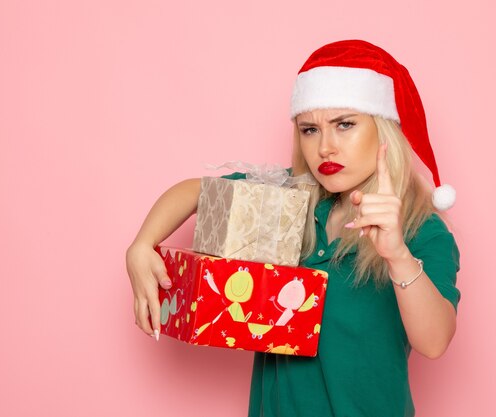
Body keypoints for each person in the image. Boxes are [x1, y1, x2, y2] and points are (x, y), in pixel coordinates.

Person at [126, 39, 460, 417]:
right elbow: (197, 192)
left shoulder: (422, 229)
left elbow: (434, 342)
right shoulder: (285, 200)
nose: (325, 148)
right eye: (310, 130)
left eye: (344, 125)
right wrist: (141, 246)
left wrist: (397, 255)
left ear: (383, 130)